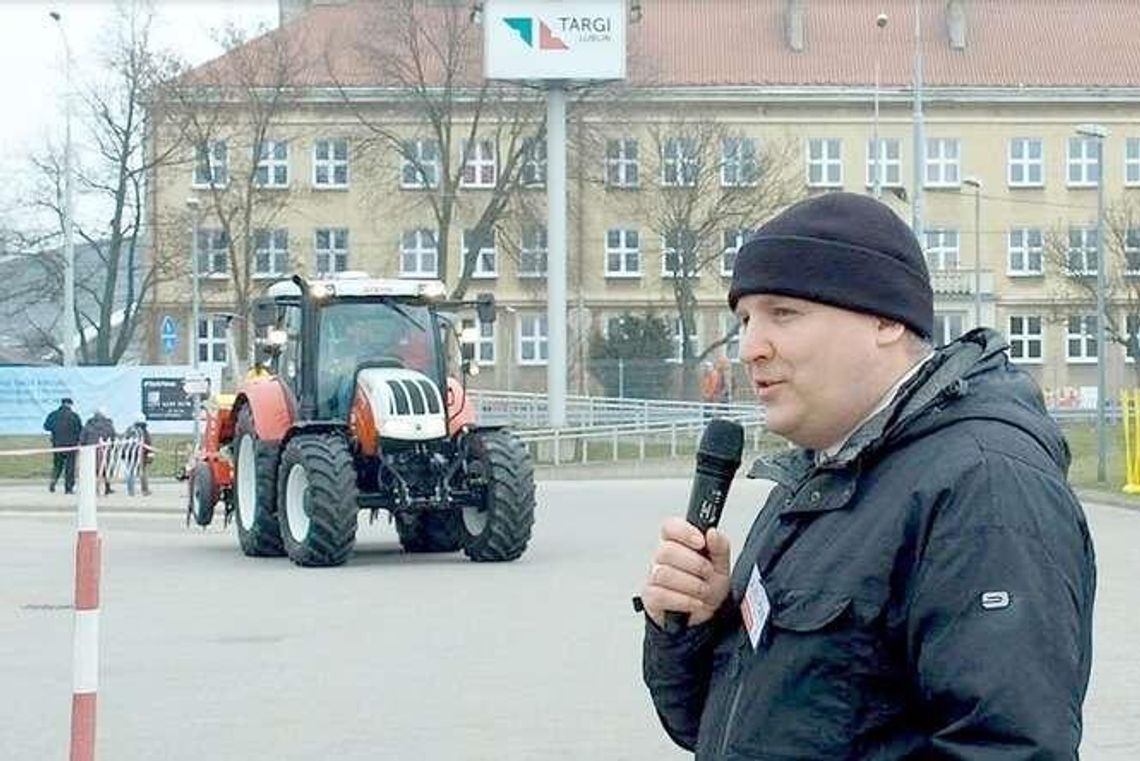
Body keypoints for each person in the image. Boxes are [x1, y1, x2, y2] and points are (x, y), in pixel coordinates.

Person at [639, 192, 1096, 759]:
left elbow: (1007, 748)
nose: (750, 347)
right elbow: (726, 727)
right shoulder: (819, 473)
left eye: (783, 313)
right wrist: (696, 626)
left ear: (885, 320)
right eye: (745, 319)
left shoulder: (983, 486)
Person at [43, 397, 82, 494]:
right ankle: (68, 488)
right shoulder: (74, 416)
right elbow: (80, 430)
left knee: (57, 465)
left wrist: (56, 430)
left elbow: (46, 426)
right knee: (70, 467)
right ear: (70, 404)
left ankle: (53, 483)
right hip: (71, 445)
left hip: (57, 444)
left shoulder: (53, 415)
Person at [80, 407, 117, 496]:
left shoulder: (89, 424)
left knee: (91, 470)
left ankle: (93, 488)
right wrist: (112, 447)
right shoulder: (108, 424)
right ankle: (107, 487)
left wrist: (83, 446)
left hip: (90, 450)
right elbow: (113, 436)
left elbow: (83, 437)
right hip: (105, 449)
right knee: (105, 469)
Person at [123, 414, 153, 497]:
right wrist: (150, 456)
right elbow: (148, 444)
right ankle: (145, 490)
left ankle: (131, 491)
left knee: (130, 473)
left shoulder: (129, 430)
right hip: (141, 455)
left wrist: (123, 455)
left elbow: (124, 442)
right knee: (143, 472)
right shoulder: (144, 432)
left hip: (130, 455)